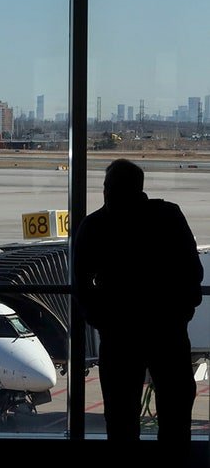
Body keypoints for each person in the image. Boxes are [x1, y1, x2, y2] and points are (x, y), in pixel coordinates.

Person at [72, 159, 203, 461]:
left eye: (107, 187)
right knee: (176, 416)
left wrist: (99, 318)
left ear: (110, 189)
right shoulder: (168, 216)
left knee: (120, 420)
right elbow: (192, 271)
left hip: (119, 335)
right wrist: (183, 310)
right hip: (167, 330)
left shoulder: (96, 225)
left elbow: (80, 282)